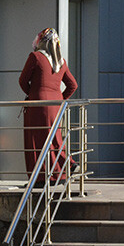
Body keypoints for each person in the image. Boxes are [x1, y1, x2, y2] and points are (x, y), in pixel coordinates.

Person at [18, 27, 78, 183]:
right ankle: (63, 170)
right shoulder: (61, 62)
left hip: (38, 103)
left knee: (35, 140)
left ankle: (40, 178)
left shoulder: (35, 57)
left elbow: (22, 81)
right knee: (55, 138)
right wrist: (60, 99)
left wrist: (32, 94)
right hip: (56, 105)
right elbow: (73, 85)